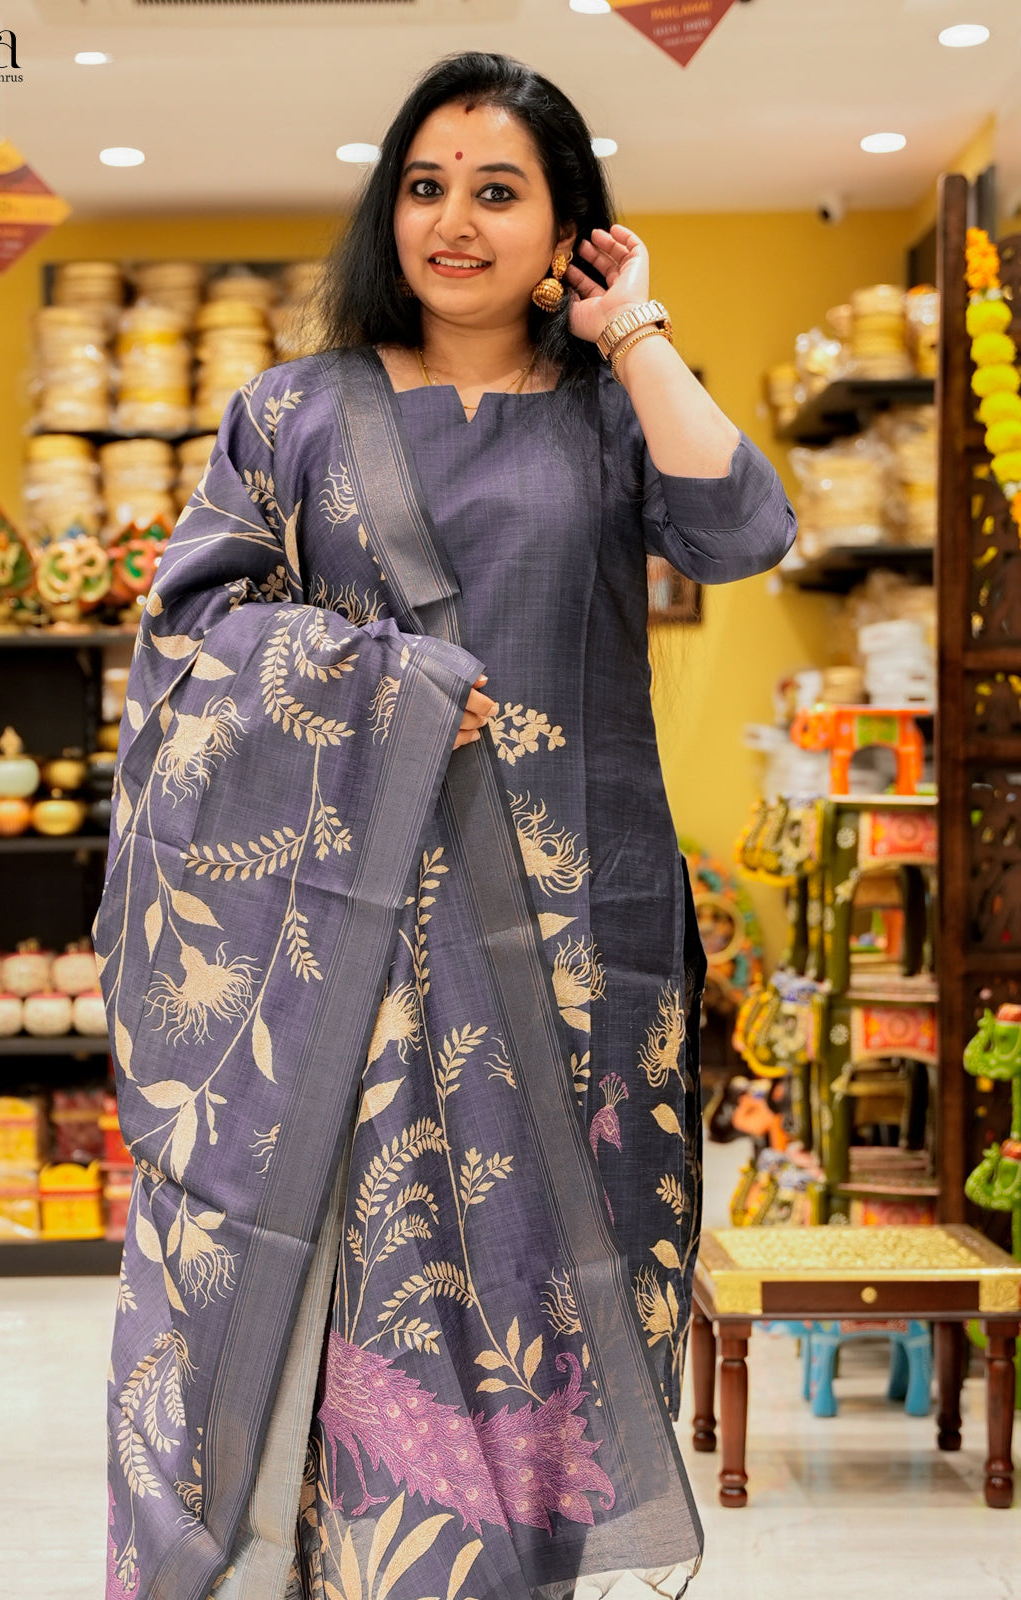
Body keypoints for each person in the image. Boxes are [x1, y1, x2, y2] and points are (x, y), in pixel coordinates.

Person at [97, 51, 794, 1600]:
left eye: (500, 193)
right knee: (362, 1297)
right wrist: (380, 684)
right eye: (425, 187)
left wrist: (636, 333)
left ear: (568, 233)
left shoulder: (614, 421)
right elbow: (193, 639)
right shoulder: (291, 417)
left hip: (572, 945)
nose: (453, 223)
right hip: (343, 948)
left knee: (552, 1290)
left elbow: (747, 532)